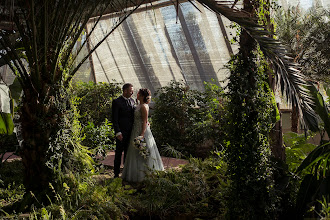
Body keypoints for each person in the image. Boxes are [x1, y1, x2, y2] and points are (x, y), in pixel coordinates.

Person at [122, 88, 164, 182]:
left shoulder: (144, 106)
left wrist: (142, 134)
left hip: (142, 130)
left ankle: (147, 173)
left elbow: (145, 121)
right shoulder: (138, 105)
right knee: (135, 152)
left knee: (145, 151)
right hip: (135, 129)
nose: (136, 94)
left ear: (141, 96)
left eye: (138, 93)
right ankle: (136, 173)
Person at [112, 83, 135, 178]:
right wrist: (118, 132)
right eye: (131, 91)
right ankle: (116, 174)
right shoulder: (116, 102)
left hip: (131, 132)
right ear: (125, 91)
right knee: (118, 153)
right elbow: (114, 118)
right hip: (121, 132)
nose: (132, 92)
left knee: (128, 153)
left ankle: (125, 173)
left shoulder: (133, 101)